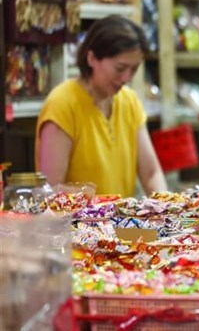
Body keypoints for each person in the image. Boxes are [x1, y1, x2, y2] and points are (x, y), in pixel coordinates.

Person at [36, 15, 167, 197]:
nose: (127, 78)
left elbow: (151, 173)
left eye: (134, 69)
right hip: (76, 224)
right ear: (91, 58)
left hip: (121, 223)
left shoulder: (130, 102)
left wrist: (168, 210)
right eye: (120, 68)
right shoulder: (62, 105)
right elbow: (51, 189)